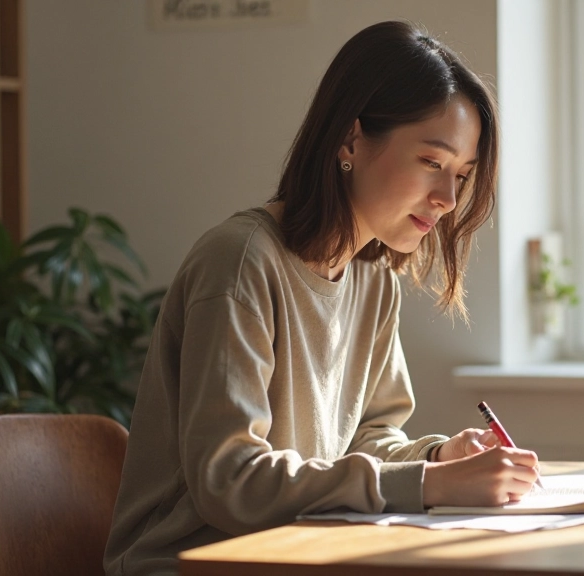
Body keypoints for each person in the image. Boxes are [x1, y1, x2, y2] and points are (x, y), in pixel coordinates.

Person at [104, 20, 540, 576]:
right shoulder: (240, 262)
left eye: (461, 175)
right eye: (432, 163)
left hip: (300, 556)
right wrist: (427, 484)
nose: (448, 199)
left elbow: (366, 440)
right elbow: (229, 480)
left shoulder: (373, 281)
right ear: (350, 140)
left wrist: (437, 456)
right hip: (189, 563)